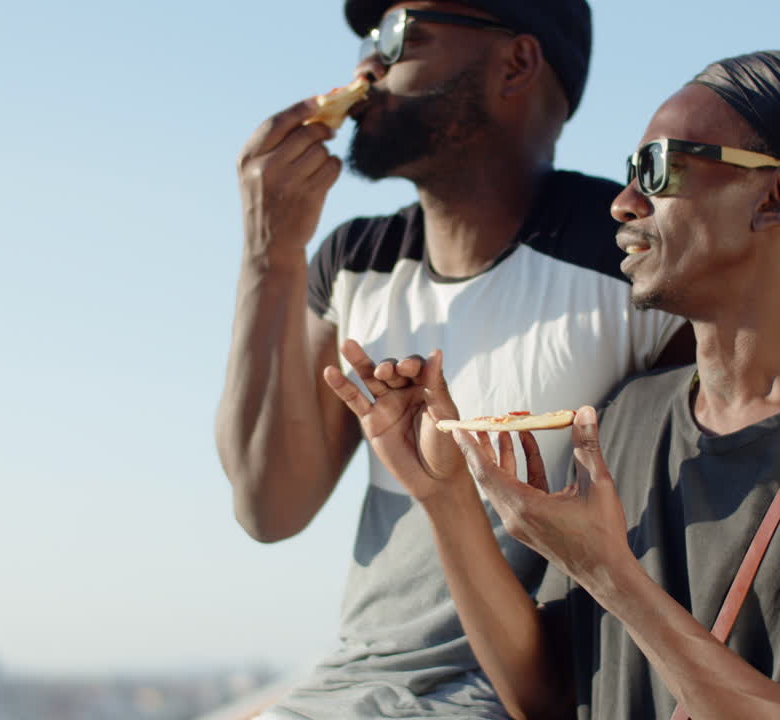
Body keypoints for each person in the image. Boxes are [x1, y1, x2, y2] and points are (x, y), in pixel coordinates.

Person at [324, 51, 780, 719]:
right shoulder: (628, 419)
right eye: (628, 173)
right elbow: (547, 699)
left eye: (658, 169)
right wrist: (444, 496)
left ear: (779, 194)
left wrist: (610, 574)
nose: (623, 203)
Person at [214, 0, 692, 716]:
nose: (367, 64)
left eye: (399, 33)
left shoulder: (633, 260)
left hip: (521, 695)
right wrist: (268, 254)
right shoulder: (355, 263)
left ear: (516, 63)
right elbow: (268, 505)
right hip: (352, 684)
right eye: (367, 38)